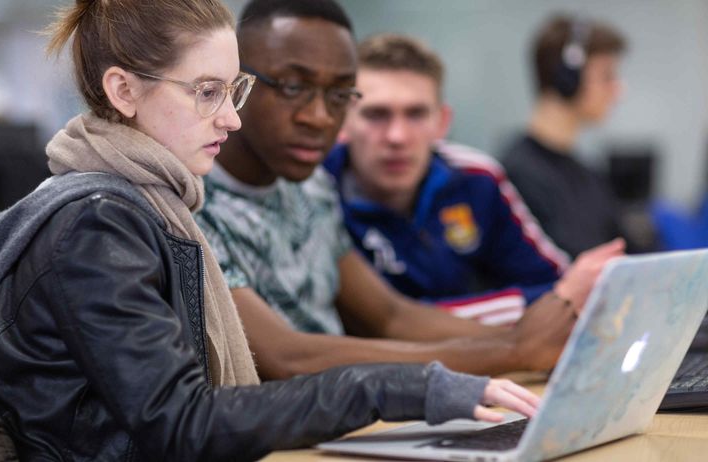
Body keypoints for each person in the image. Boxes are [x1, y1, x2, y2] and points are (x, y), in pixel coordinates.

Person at [0, 1, 542, 459]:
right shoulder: (97, 222)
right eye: (207, 92)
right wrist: (401, 386)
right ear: (124, 91)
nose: (231, 117)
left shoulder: (148, 203)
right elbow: (182, 424)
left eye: (234, 91)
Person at [196, 0, 625, 381]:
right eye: (292, 86)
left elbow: (391, 316)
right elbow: (284, 356)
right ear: (238, 82)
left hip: (349, 410)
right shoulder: (192, 203)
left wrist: (534, 341)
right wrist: (512, 350)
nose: (320, 116)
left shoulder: (311, 187)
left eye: (340, 93)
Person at [324, 33, 572, 324]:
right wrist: (513, 309)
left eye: (416, 114)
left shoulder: (476, 178)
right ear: (342, 122)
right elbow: (372, 326)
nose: (397, 137)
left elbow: (561, 290)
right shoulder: (315, 191)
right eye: (376, 114)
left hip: (476, 360)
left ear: (442, 122)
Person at [501, 15, 627, 258]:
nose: (619, 90)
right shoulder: (518, 175)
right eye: (607, 76)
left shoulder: (589, 174)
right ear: (567, 79)